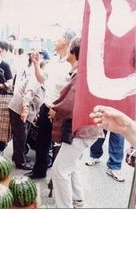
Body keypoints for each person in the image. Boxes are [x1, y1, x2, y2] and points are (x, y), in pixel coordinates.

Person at [50, 38, 104, 208]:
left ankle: (65, 208)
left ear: (74, 53)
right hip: (89, 130)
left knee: (59, 171)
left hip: (82, 130)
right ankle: (78, 200)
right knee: (71, 166)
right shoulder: (86, 72)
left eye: (68, 51)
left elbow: (70, 104)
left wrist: (55, 110)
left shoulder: (80, 73)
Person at [25, 29, 75, 179]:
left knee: (58, 146)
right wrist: (35, 65)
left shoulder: (70, 64)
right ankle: (39, 171)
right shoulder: (53, 60)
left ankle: (57, 179)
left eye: (58, 38)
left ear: (66, 41)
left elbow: (70, 93)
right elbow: (41, 79)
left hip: (59, 111)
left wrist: (57, 108)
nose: (54, 41)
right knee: (42, 142)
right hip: (46, 106)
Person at [8, 59, 46, 170]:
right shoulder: (35, 79)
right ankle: (20, 162)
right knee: (20, 136)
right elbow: (28, 94)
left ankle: (19, 156)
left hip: (27, 111)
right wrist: (25, 110)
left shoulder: (44, 81)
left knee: (22, 135)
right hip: (19, 109)